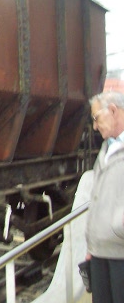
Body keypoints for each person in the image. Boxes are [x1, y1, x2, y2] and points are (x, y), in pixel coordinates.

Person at [85, 91, 124, 302]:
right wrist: (93, 246)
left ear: (113, 111)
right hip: (100, 252)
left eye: (96, 118)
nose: (94, 126)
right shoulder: (105, 149)